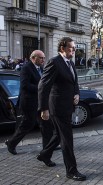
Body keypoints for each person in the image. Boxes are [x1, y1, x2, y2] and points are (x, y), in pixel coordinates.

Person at [38, 37, 86, 181]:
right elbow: (43, 86)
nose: (73, 50)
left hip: (67, 106)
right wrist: (43, 108)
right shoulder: (54, 62)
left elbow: (74, 81)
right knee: (67, 140)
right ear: (62, 48)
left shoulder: (70, 63)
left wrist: (76, 93)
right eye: (70, 48)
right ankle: (71, 171)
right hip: (57, 107)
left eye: (74, 48)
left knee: (59, 135)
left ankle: (44, 155)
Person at [5, 50, 54, 155]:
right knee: (27, 125)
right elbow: (25, 86)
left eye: (44, 58)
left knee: (46, 124)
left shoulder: (40, 68)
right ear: (33, 58)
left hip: (39, 102)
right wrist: (41, 88)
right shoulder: (26, 68)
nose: (43, 60)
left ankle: (47, 148)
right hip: (29, 102)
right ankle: (11, 143)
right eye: (41, 58)